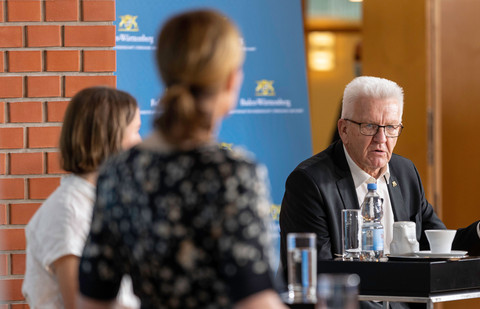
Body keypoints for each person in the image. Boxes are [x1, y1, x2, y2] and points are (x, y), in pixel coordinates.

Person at [77, 9, 287, 309]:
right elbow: (255, 301)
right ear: (231, 80)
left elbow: (93, 300)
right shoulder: (233, 172)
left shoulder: (118, 171)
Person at [279, 76, 480, 309]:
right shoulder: (309, 183)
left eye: (390, 127)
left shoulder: (405, 172)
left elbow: (437, 246)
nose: (381, 138)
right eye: (369, 126)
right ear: (344, 129)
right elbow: (317, 277)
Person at [22, 86, 142, 308]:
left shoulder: (102, 202)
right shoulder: (68, 211)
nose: (140, 142)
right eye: (135, 130)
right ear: (110, 136)